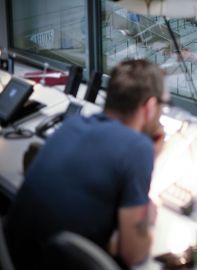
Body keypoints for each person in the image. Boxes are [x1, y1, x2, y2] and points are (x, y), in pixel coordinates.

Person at [5, 59, 170, 269]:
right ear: (150, 106)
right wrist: (147, 217)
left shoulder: (71, 125)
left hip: (16, 258)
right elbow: (133, 254)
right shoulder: (138, 147)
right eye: (163, 105)